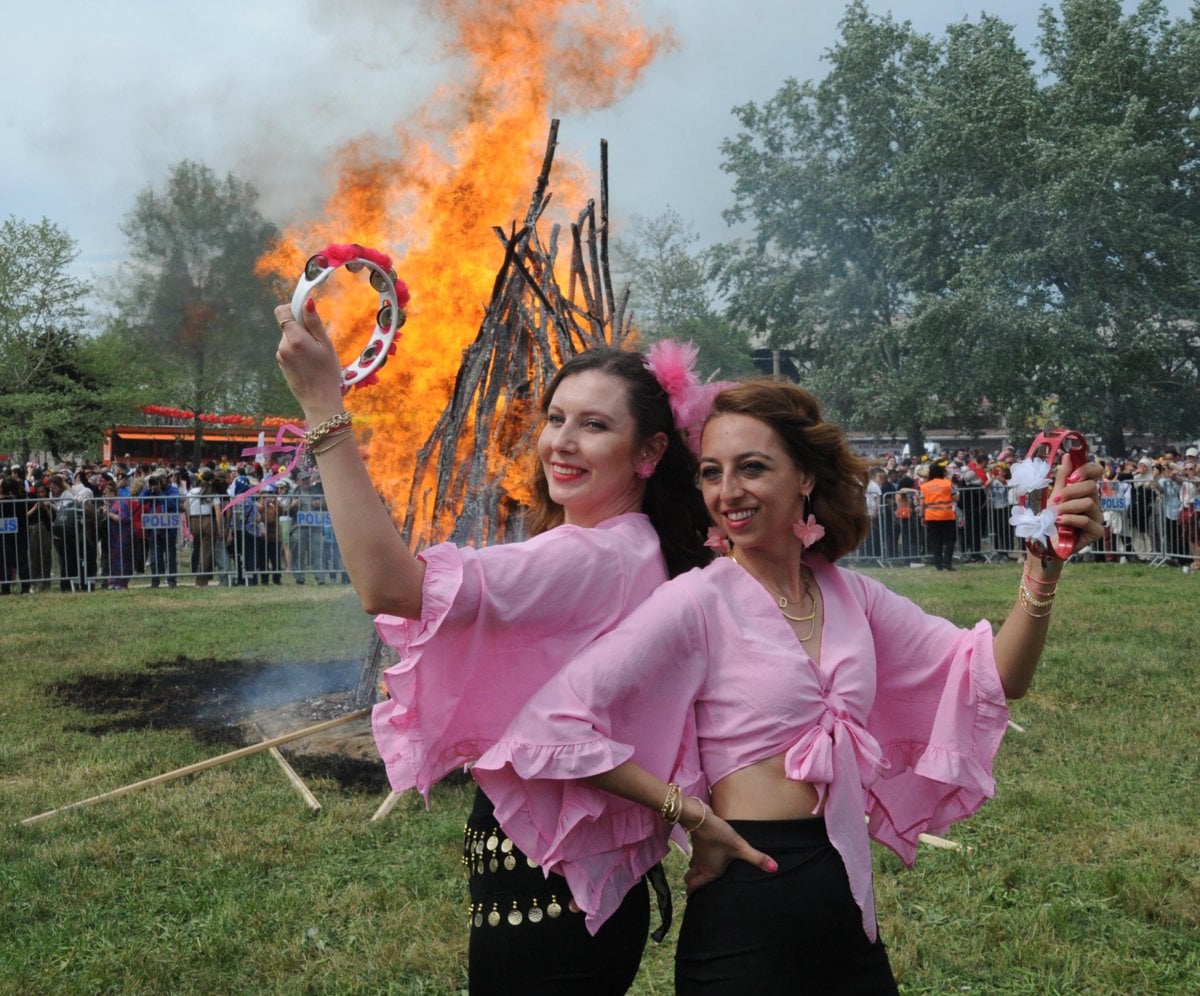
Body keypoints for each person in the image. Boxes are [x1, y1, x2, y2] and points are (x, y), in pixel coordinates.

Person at [470, 379, 1104, 993]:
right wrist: (688, 814)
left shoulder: (851, 596)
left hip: (848, 911)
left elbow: (996, 675)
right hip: (746, 916)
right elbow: (552, 722)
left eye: (751, 467)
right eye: (712, 472)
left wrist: (1042, 568)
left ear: (804, 476)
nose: (728, 492)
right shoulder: (696, 601)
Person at [275, 301, 714, 993]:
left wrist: (323, 409)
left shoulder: (594, 557)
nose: (561, 442)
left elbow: (389, 587)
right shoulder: (632, 547)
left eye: (595, 425)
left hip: (547, 912)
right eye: (557, 418)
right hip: (571, 902)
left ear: (650, 453)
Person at [920, 461, 958, 570]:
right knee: (950, 540)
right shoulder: (947, 483)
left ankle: (938, 564)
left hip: (931, 516)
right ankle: (947, 562)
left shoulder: (925, 486)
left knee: (936, 540)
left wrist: (922, 516)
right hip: (947, 515)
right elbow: (956, 498)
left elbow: (922, 503)